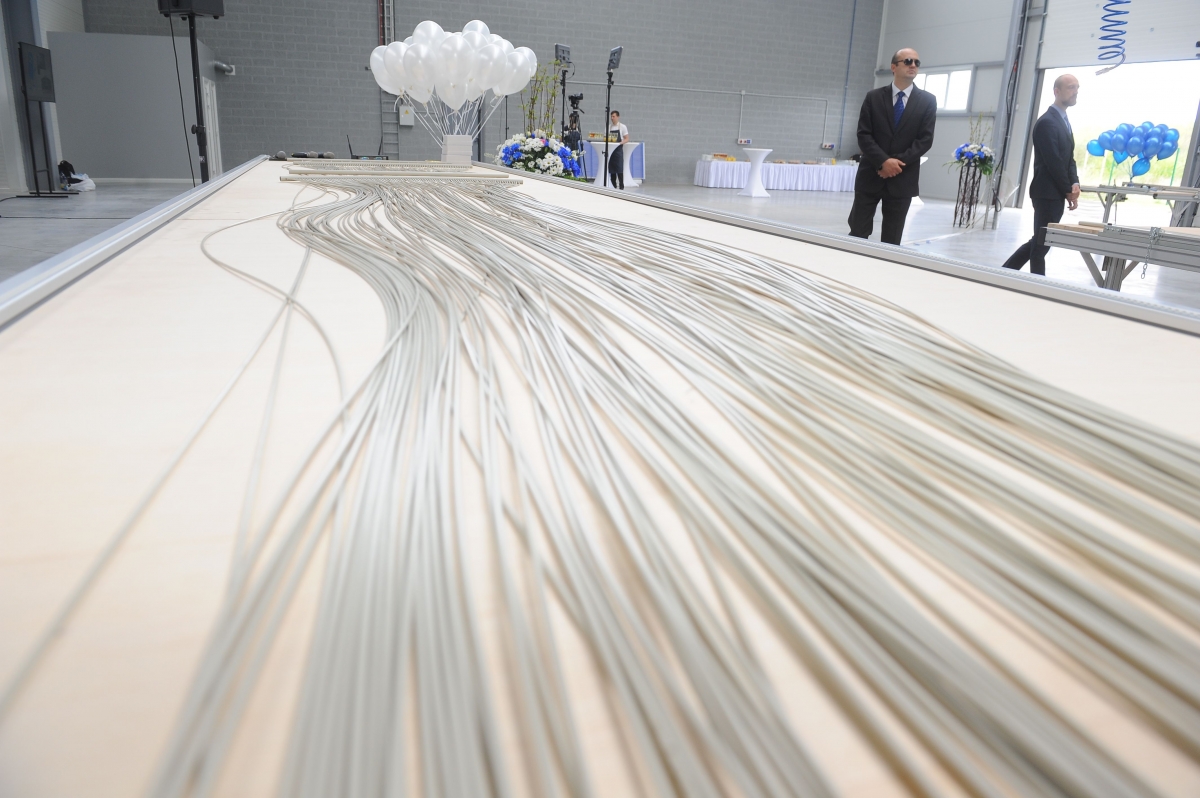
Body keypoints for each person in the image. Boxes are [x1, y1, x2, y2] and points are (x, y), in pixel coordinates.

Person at [848, 48, 937, 245]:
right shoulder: (873, 97)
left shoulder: (927, 101)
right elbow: (864, 134)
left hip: (902, 178)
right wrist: (883, 162)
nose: (913, 65)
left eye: (916, 62)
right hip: (871, 175)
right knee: (858, 232)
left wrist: (895, 164)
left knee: (892, 239)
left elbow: (925, 140)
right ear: (893, 67)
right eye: (908, 61)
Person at [1001, 74, 1081, 276]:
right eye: (1071, 87)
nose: (1075, 92)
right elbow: (1053, 161)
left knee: (1039, 241)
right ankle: (1037, 285)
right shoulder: (1047, 122)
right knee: (1041, 246)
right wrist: (1067, 190)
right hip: (1046, 193)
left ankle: (1005, 273)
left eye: (1077, 88)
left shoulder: (1063, 121)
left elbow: (1069, 158)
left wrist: (1074, 183)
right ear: (1057, 91)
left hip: (1056, 193)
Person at [606, 110, 629, 190]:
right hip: (611, 151)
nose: (612, 118)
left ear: (618, 117)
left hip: (618, 151)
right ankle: (613, 186)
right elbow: (605, 138)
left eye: (614, 116)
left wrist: (619, 143)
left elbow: (627, 139)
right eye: (611, 116)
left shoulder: (622, 127)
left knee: (619, 169)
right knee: (612, 170)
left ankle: (621, 187)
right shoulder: (608, 127)